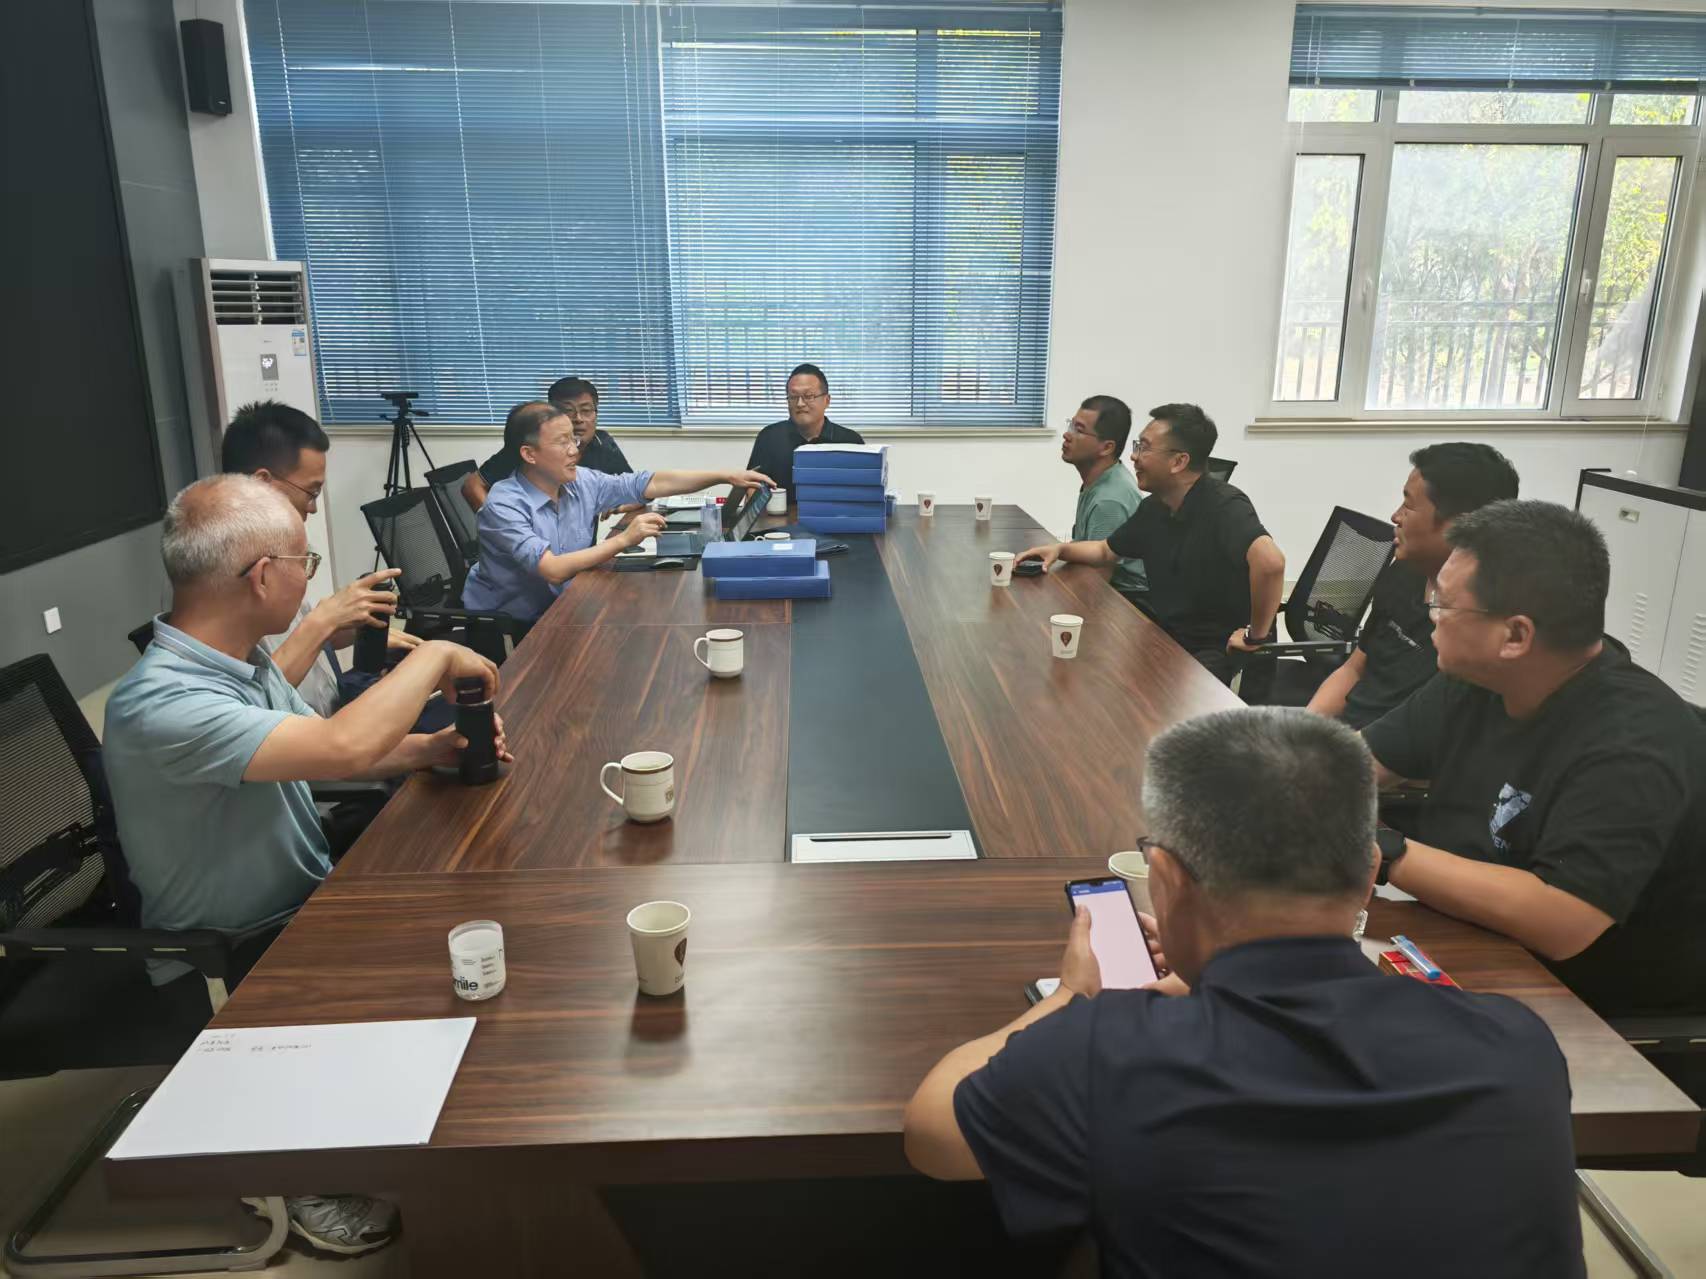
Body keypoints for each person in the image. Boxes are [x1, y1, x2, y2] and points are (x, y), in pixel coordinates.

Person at [904, 707, 1583, 1278]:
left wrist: (1072, 998)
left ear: (1164, 878)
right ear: (1370, 871)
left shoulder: (1106, 1052)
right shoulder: (1515, 1043)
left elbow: (932, 1130)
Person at [103, 474, 512, 1257]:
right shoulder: (161, 703)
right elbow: (342, 745)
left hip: (299, 903)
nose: (310, 576)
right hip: (230, 950)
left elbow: (319, 753)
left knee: (473, 918)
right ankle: (296, 1172)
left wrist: (427, 749)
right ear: (264, 576)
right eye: (305, 560)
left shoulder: (241, 664)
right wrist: (436, 655)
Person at [1364, 500, 1706, 1028]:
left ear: (1516, 636)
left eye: (1444, 604)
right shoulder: (1474, 681)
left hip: (1590, 1011)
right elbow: (1355, 764)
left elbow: (1563, 918)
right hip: (1471, 945)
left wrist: (1383, 851)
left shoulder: (1634, 742)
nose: (1430, 616)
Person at [1018, 403, 1284, 684]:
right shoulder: (1156, 508)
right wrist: (1060, 550)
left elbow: (1271, 563)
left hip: (1220, 652)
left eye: (1144, 448)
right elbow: (1106, 550)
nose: (1133, 456)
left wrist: (1255, 636)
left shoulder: (1225, 505)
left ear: (1178, 462)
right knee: (1093, 668)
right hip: (1173, 638)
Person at [460, 401, 774, 624]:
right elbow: (552, 569)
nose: (574, 450)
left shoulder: (579, 481)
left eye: (574, 439)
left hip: (565, 605)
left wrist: (724, 475)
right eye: (562, 442)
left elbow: (647, 483)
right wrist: (623, 540)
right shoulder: (503, 504)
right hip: (509, 625)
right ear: (529, 454)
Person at [217, 400, 419, 717]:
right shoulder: (218, 573)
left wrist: (358, 628)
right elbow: (254, 705)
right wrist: (325, 620)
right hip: (300, 736)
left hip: (331, 710)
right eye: (311, 492)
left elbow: (297, 640)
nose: (312, 508)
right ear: (262, 484)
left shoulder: (278, 547)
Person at [1308, 442, 1519, 728]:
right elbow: (1355, 669)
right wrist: (1302, 730)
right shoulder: (1405, 571)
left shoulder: (1478, 625)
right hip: (1345, 738)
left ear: (1461, 526)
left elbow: (1425, 739)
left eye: (1408, 506)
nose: (1395, 517)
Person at [462, 376, 632, 512]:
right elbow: (472, 486)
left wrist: (620, 508)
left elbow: (634, 488)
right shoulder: (531, 446)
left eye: (586, 410)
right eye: (568, 411)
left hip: (579, 542)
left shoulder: (601, 443)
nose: (578, 419)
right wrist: (500, 526)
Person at [1060, 394, 1146, 602]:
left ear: (1107, 447)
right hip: (1106, 591)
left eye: (1079, 430)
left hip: (1125, 603)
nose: (1067, 434)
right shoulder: (1101, 479)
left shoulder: (1109, 500)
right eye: (1071, 425)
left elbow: (1095, 584)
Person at [745, 363, 865, 493]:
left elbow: (863, 489)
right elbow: (752, 487)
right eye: (793, 397)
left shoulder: (851, 441)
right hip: (780, 507)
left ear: (827, 400)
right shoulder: (769, 437)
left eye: (809, 396)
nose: (800, 404)